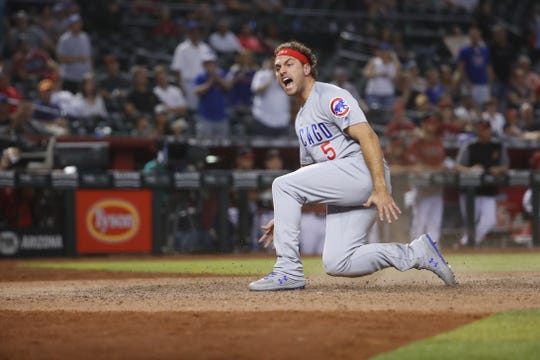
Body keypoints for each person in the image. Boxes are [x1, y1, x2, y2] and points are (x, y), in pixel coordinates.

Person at [248, 41, 455, 291]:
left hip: (362, 172)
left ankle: (288, 270)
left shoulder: (330, 96)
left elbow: (369, 137)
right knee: (339, 262)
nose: (281, 71)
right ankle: (415, 254)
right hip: (345, 184)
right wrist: (285, 214)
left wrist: (379, 188)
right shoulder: (301, 119)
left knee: (282, 184)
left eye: (289, 64)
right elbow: (306, 174)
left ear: (306, 69)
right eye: (277, 67)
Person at [454, 120, 509, 247]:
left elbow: (505, 166)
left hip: (487, 191)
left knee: (490, 220)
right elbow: (457, 166)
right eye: (480, 129)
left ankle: (465, 244)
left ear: (490, 130)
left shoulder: (497, 146)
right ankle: (468, 246)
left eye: (485, 129)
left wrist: (499, 169)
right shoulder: (470, 146)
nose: (483, 132)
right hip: (469, 192)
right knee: (471, 222)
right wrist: (471, 170)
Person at [405, 116, 447, 244]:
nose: (432, 126)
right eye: (429, 123)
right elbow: (417, 167)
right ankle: (413, 251)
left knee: (435, 223)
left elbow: (442, 164)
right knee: (420, 223)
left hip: (436, 188)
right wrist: (435, 168)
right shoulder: (417, 144)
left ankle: (434, 251)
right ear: (423, 124)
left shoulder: (438, 142)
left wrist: (436, 168)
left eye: (434, 123)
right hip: (422, 188)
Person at [250, 57, 291, 136]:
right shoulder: (261, 75)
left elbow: (292, 92)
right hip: (263, 119)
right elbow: (257, 91)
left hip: (282, 120)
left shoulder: (286, 76)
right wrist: (271, 79)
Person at [193, 52, 231, 137]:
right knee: (204, 146)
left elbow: (228, 87)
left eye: (211, 63)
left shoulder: (222, 74)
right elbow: (197, 91)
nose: (209, 66)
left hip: (221, 117)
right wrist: (210, 82)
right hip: (205, 118)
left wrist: (216, 77)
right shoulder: (200, 77)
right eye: (207, 63)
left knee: (221, 147)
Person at [456, 26, 493, 107]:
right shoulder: (464, 50)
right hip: (470, 84)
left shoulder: (484, 50)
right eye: (473, 35)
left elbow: (488, 67)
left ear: (480, 37)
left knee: (484, 106)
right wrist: (466, 81)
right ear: (470, 37)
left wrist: (489, 82)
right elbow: (461, 68)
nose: (475, 37)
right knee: (470, 107)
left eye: (477, 35)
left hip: (483, 83)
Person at [55, 13, 92, 94]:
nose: (77, 25)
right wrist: (77, 58)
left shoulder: (85, 37)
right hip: (69, 78)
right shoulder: (64, 39)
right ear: (70, 25)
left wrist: (91, 72)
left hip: (83, 79)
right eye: (74, 23)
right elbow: (60, 58)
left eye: (78, 23)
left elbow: (89, 57)